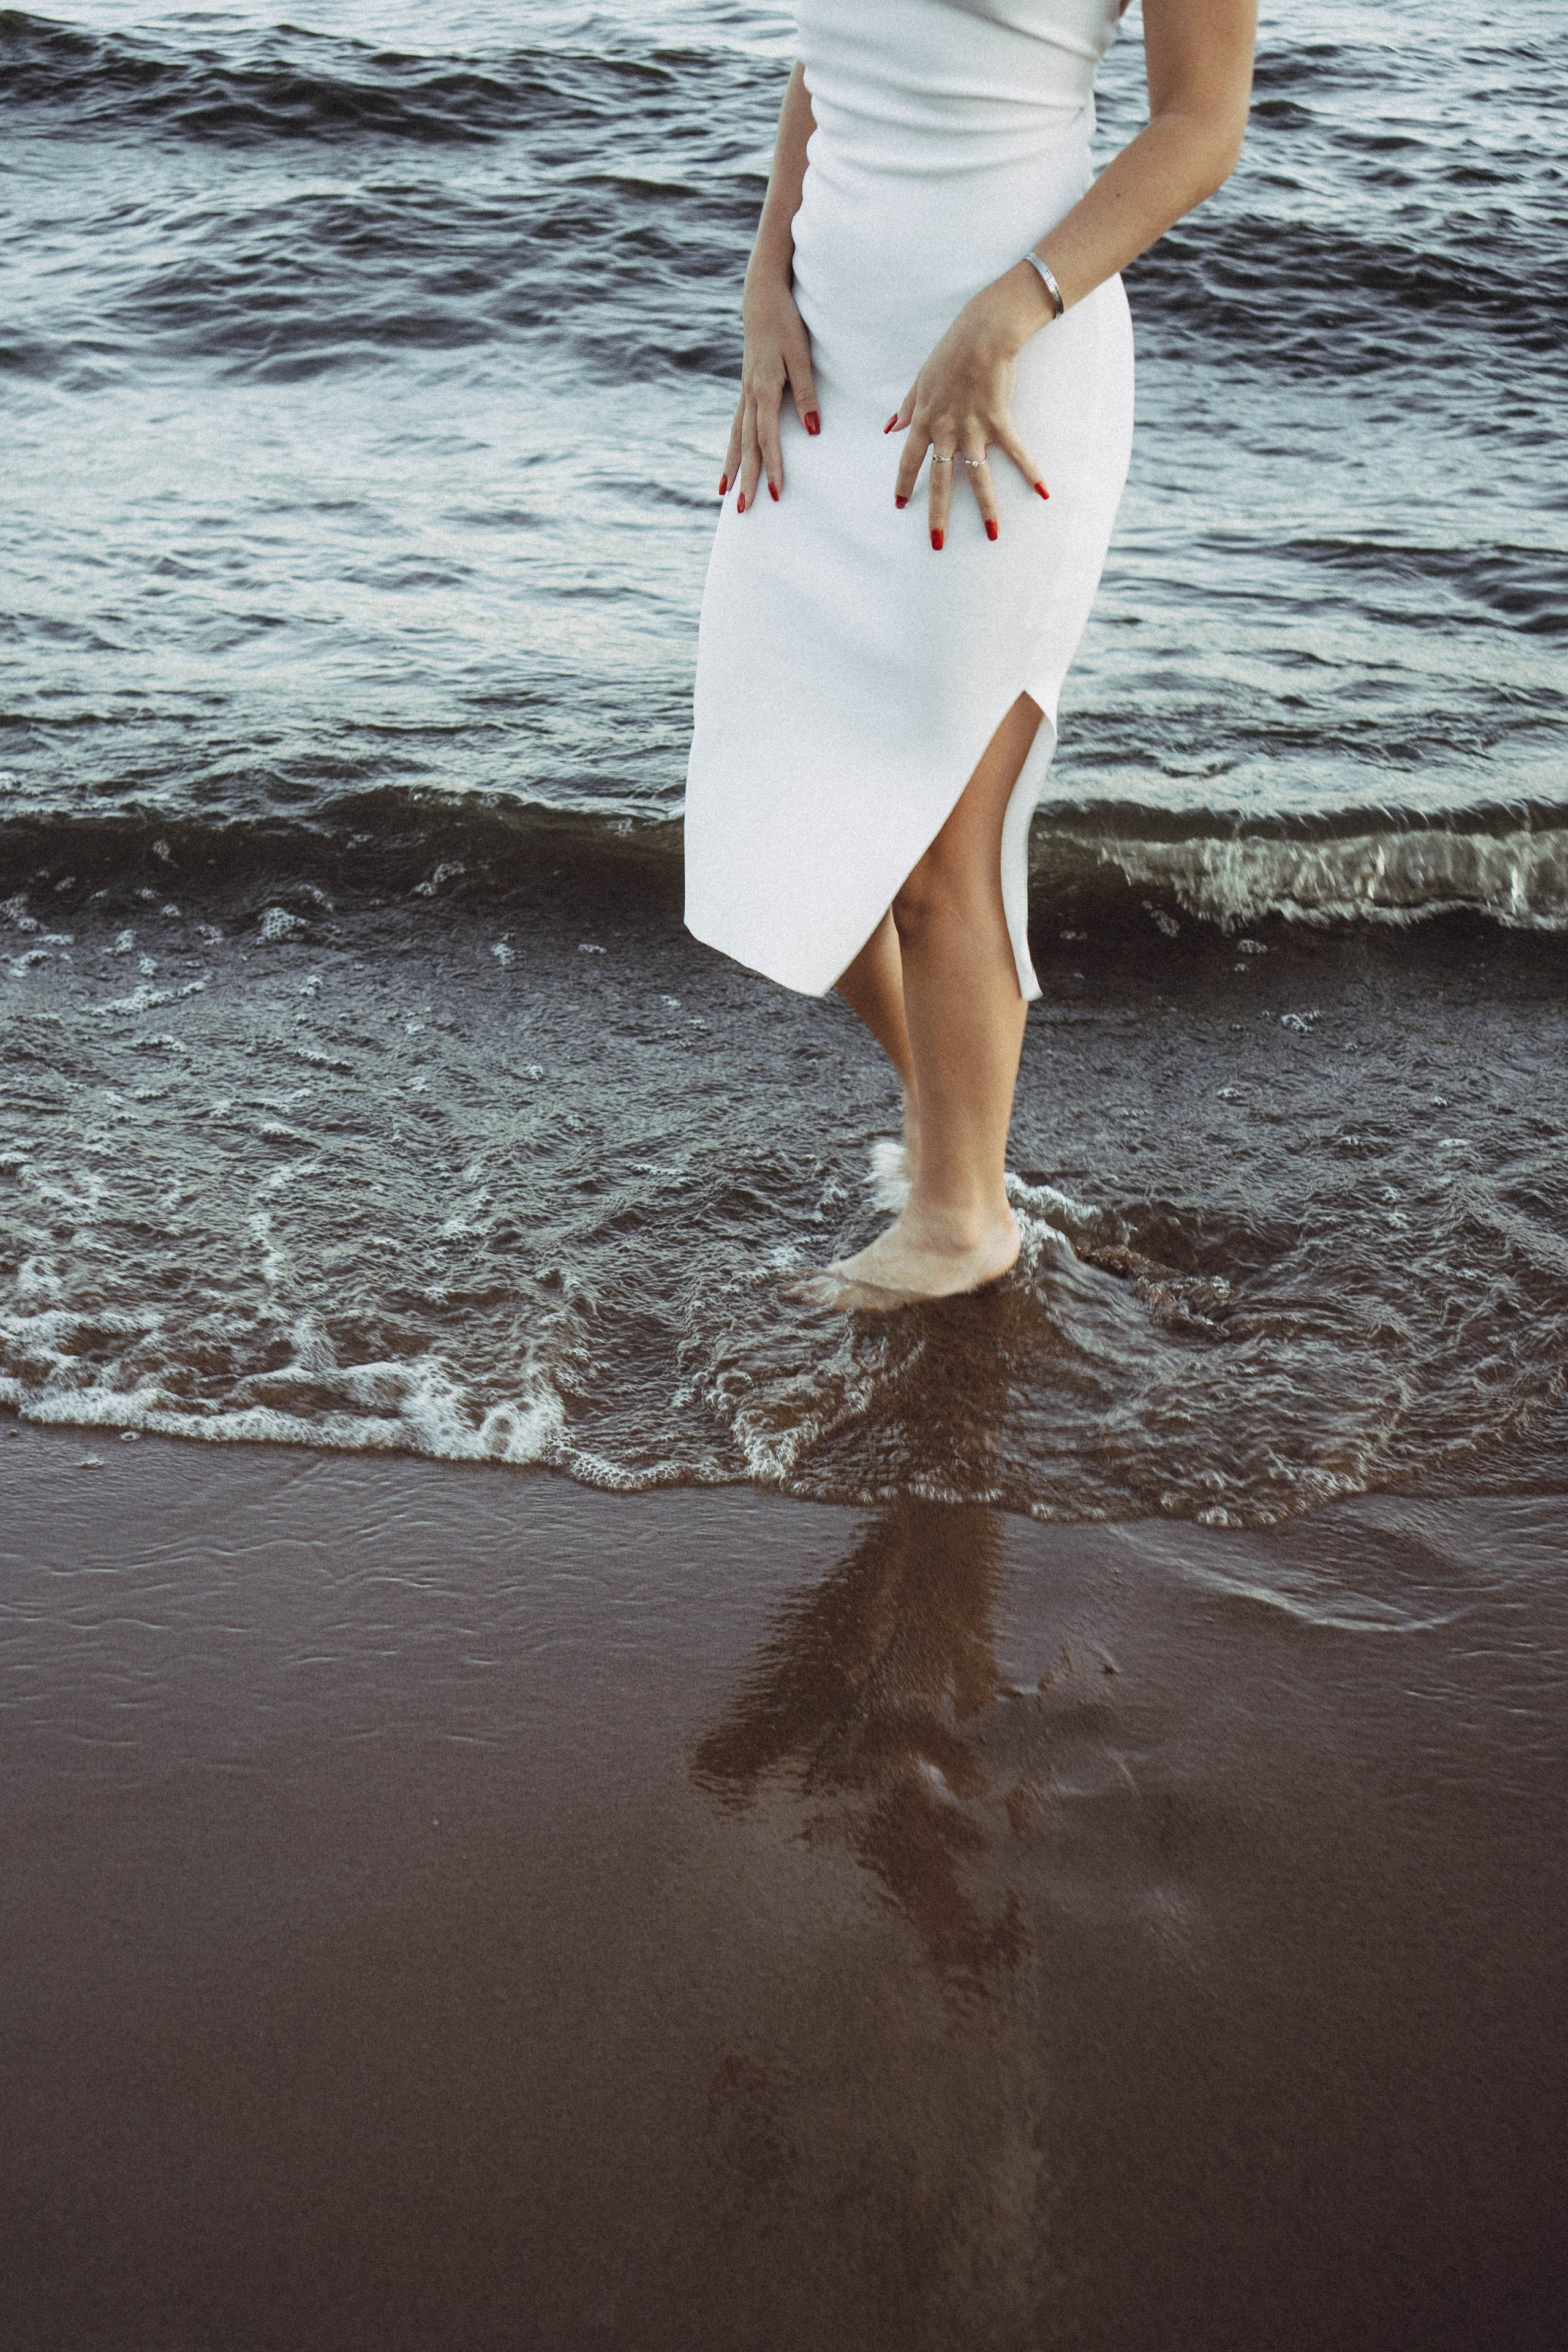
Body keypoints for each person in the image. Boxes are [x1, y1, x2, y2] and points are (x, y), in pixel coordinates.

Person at [684, 0, 1256, 1306]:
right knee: (769, 814)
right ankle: (964, 1134)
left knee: (940, 847)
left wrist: (1014, 306)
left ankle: (959, 1216)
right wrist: (763, 278)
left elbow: (1199, 127)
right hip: (824, 361)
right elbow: (830, 58)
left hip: (1008, 376)